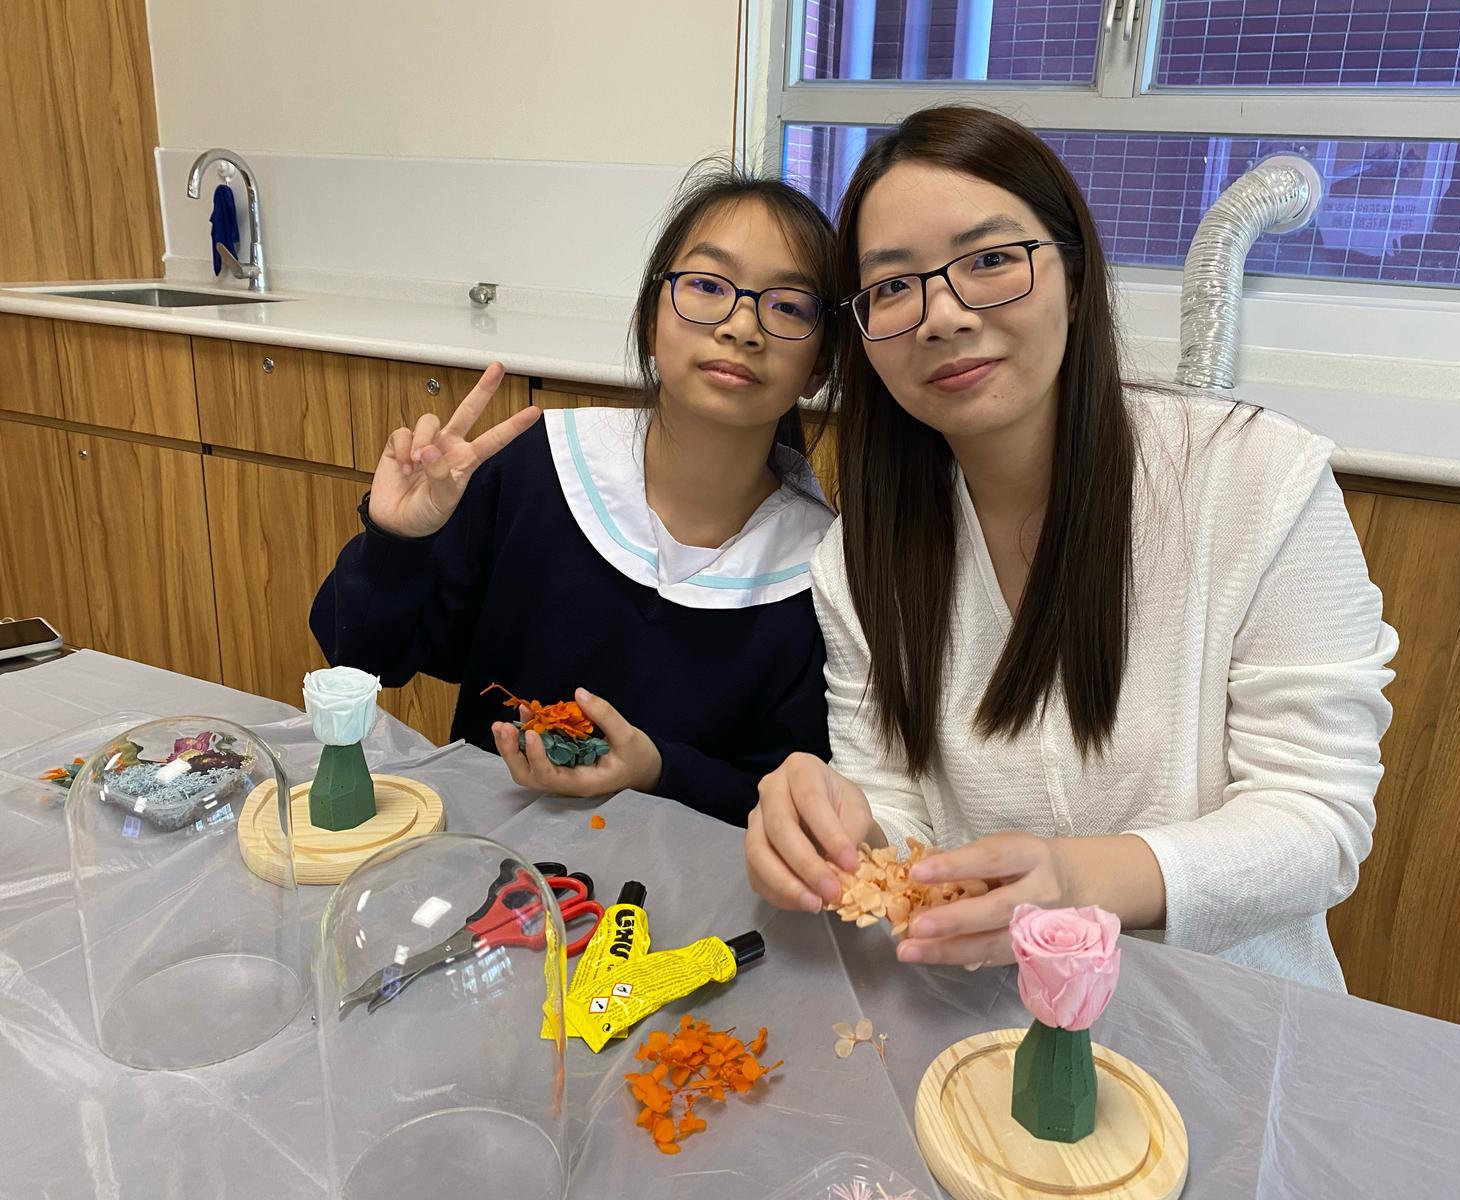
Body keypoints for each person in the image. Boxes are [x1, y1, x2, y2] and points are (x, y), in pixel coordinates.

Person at [745, 107, 1399, 988]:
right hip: (988, 1010)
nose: (941, 316)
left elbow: (1319, 822)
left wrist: (1078, 879)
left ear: (1076, 280)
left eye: (989, 261)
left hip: (1227, 1009)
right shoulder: (861, 558)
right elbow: (900, 808)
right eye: (892, 287)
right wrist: (846, 830)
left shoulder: (1257, 478)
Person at [311, 167, 841, 825]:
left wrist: (659, 770)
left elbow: (789, 804)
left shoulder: (823, 571)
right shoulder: (537, 470)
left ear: (820, 366)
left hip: (690, 880)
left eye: (788, 305)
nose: (741, 326)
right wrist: (397, 541)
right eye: (707, 286)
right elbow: (365, 659)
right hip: (488, 852)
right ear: (650, 321)